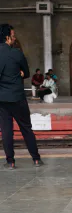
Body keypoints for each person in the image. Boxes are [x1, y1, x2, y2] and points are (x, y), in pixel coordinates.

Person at [0, 24, 43, 169]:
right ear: (7, 37)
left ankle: (10, 162)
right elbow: (27, 72)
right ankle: (36, 159)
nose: (14, 38)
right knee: (26, 128)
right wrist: (20, 73)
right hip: (18, 98)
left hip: (2, 100)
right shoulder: (17, 53)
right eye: (12, 35)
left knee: (6, 131)